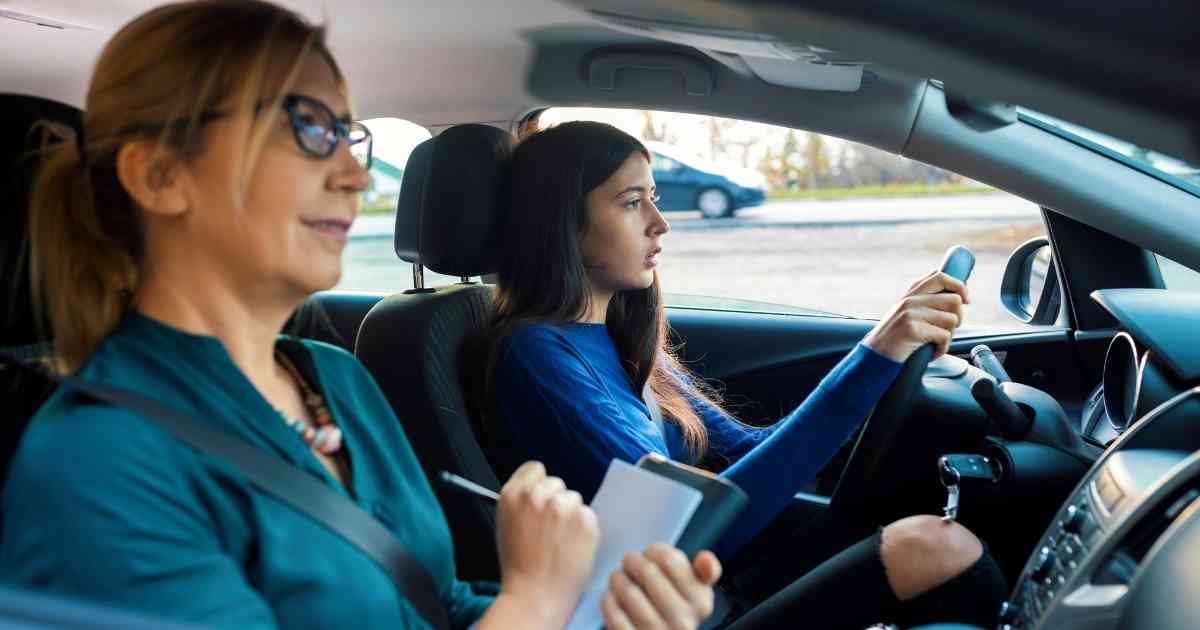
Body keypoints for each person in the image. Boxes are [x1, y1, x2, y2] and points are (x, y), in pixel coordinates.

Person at [0, 3, 721, 629]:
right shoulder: (96, 465)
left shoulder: (336, 379)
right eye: (310, 128)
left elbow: (434, 606)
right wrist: (536, 596)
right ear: (160, 175)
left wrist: (602, 611)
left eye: (349, 136)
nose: (352, 175)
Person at [481, 121, 1009, 628]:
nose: (659, 223)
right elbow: (687, 529)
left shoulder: (626, 342)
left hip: (711, 583)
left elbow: (747, 451)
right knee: (936, 548)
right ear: (562, 224)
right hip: (675, 611)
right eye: (631, 202)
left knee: (942, 540)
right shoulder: (539, 355)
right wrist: (876, 353)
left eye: (654, 198)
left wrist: (881, 368)